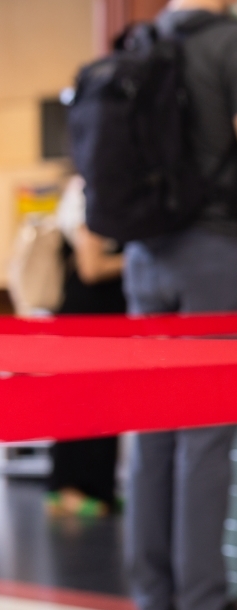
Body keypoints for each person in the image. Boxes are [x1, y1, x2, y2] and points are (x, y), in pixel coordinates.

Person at [123, 2, 237, 610]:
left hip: (145, 255)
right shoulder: (234, 41)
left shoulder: (143, 42)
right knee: (205, 437)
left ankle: (154, 604)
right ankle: (201, 609)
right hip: (217, 255)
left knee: (151, 434)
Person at [44, 174, 126, 519]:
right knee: (77, 403)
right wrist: (139, 260)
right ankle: (66, 491)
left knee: (107, 405)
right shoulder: (87, 190)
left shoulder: (120, 190)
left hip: (110, 318)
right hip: (84, 316)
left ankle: (99, 488)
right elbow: (91, 267)